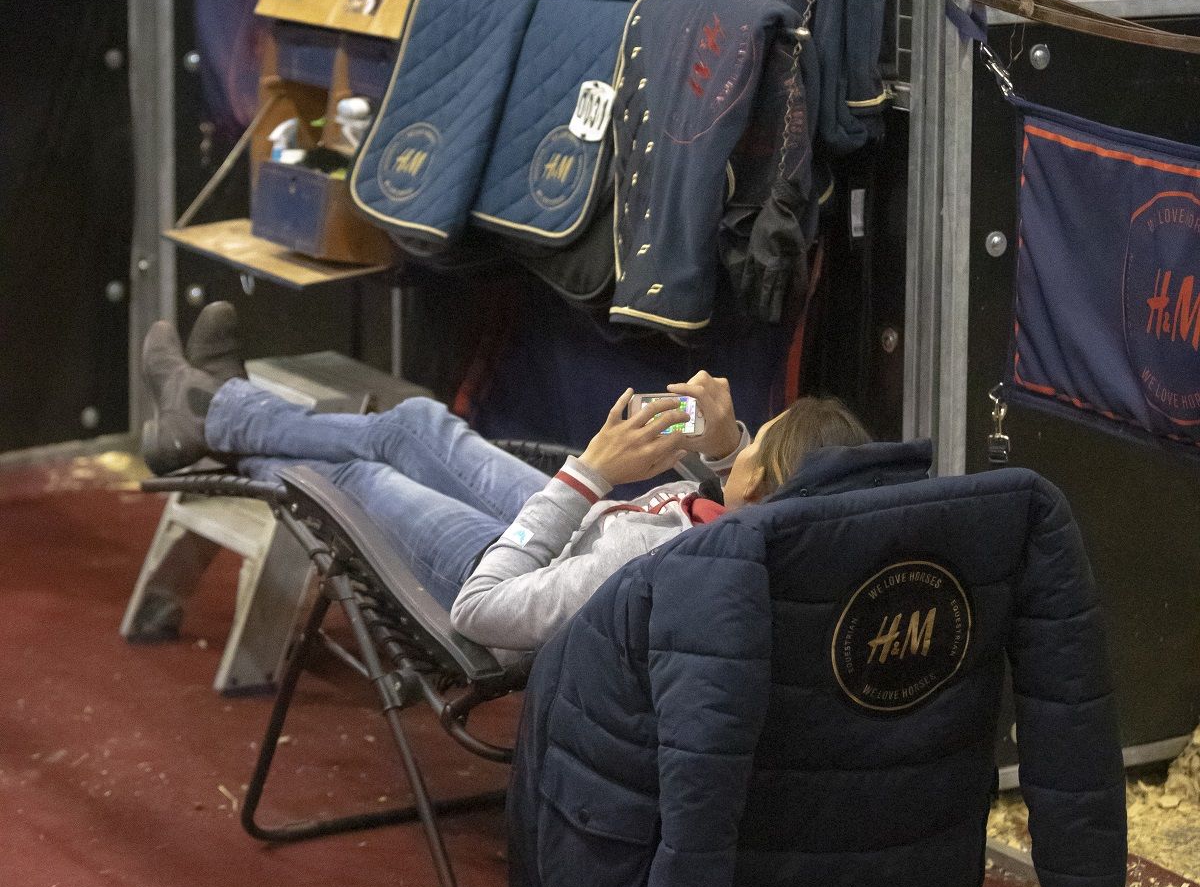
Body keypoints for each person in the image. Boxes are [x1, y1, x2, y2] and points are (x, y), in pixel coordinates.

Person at [141, 304, 869, 657]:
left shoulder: (648, 559)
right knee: (415, 425)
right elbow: (751, 504)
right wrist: (723, 447)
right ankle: (216, 413)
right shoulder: (775, 544)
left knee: (352, 476)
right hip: (568, 537)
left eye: (753, 445)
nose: (741, 442)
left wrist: (587, 476)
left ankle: (211, 416)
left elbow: (481, 611)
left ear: (764, 487)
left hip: (500, 574)